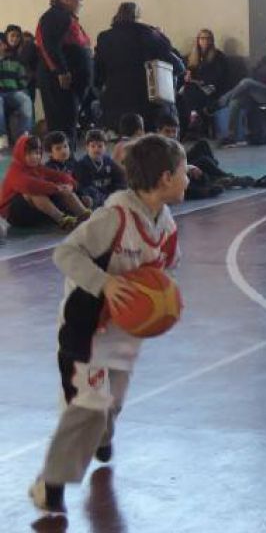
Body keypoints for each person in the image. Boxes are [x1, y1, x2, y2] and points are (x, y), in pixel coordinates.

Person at [28, 134, 185, 516]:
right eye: (184, 172)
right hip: (85, 330)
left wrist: (161, 296)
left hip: (123, 331)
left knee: (110, 406)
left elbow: (167, 265)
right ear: (165, 178)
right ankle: (48, 486)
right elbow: (64, 253)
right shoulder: (113, 218)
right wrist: (106, 283)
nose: (188, 178)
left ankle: (102, 436)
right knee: (87, 407)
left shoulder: (165, 225)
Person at [94, 2, 181, 132]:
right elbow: (170, 57)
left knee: (125, 136)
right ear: (138, 15)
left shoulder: (105, 37)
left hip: (116, 97)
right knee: (148, 137)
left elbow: (98, 69)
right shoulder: (150, 34)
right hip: (146, 96)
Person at [35, 0, 92, 148]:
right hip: (59, 80)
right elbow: (49, 45)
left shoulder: (65, 16)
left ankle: (67, 163)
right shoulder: (55, 16)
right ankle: (62, 165)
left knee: (68, 124)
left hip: (69, 83)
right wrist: (61, 71)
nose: (81, 3)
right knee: (62, 126)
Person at [0, 135, 91, 231]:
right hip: (15, 215)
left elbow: (60, 176)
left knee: (62, 187)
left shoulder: (38, 168)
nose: (35, 157)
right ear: (21, 154)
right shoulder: (15, 171)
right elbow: (30, 185)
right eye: (29, 153)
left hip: (34, 211)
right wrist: (56, 188)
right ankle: (62, 220)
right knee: (34, 192)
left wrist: (70, 185)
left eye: (37, 153)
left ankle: (83, 214)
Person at [216, 33, 266, 145]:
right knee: (235, 102)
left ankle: (221, 101)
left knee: (246, 82)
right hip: (255, 90)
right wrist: (259, 77)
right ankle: (231, 136)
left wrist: (260, 76)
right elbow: (253, 73)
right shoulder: (265, 59)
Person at [177, 28, 228, 133]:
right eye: (202, 38)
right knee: (184, 92)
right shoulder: (192, 56)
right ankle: (194, 117)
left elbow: (218, 77)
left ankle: (194, 120)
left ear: (211, 41)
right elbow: (186, 72)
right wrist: (186, 77)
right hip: (194, 87)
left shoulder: (218, 56)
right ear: (198, 40)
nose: (205, 41)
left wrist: (200, 81)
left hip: (211, 87)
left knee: (190, 90)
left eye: (207, 38)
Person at [74, 129, 126, 207]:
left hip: (110, 197)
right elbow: (86, 187)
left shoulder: (109, 161)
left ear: (105, 147)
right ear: (87, 147)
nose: (96, 149)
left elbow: (119, 179)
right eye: (93, 146)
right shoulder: (82, 165)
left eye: (100, 146)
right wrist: (105, 199)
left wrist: (116, 193)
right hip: (95, 200)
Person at [0, 32, 34, 144]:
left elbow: (23, 78)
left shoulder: (15, 60)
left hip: (12, 93)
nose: (2, 47)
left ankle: (25, 136)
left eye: (3, 44)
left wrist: (21, 88)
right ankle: (2, 136)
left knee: (25, 99)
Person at [5, 24, 39, 97]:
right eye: (12, 35)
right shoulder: (3, 52)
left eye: (18, 36)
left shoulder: (26, 51)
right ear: (6, 36)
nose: (15, 38)